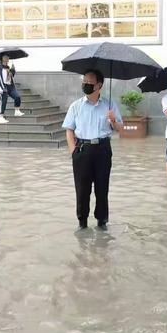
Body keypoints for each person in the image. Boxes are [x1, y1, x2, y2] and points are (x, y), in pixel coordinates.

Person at [62, 69, 123, 231]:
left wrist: (113, 120)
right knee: (82, 189)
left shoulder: (109, 105)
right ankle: (82, 223)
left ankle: (102, 222)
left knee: (102, 188)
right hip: (82, 150)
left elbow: (120, 129)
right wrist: (73, 152)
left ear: (99, 85)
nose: (86, 85)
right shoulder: (76, 106)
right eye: (84, 82)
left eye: (89, 83)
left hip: (103, 149)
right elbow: (69, 130)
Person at [0, 54, 24, 124]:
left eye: (8, 57)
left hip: (10, 86)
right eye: (5, 57)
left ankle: (17, 111)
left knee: (17, 97)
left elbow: (10, 76)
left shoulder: (8, 67)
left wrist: (13, 70)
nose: (7, 58)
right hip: (3, 86)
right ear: (2, 58)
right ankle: (1, 117)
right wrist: (2, 87)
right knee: (3, 101)